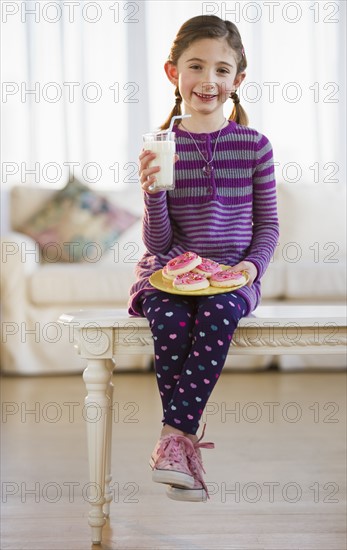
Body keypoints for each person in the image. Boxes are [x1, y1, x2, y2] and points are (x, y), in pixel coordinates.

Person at [128, 15, 279, 502]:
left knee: (217, 310)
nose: (208, 80)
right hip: (167, 272)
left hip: (232, 276)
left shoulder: (255, 147)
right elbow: (157, 243)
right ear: (174, 73)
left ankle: (174, 441)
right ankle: (183, 448)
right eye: (196, 66)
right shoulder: (162, 145)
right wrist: (151, 193)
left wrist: (250, 269)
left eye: (221, 70)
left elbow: (268, 227)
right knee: (167, 317)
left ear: (238, 80)